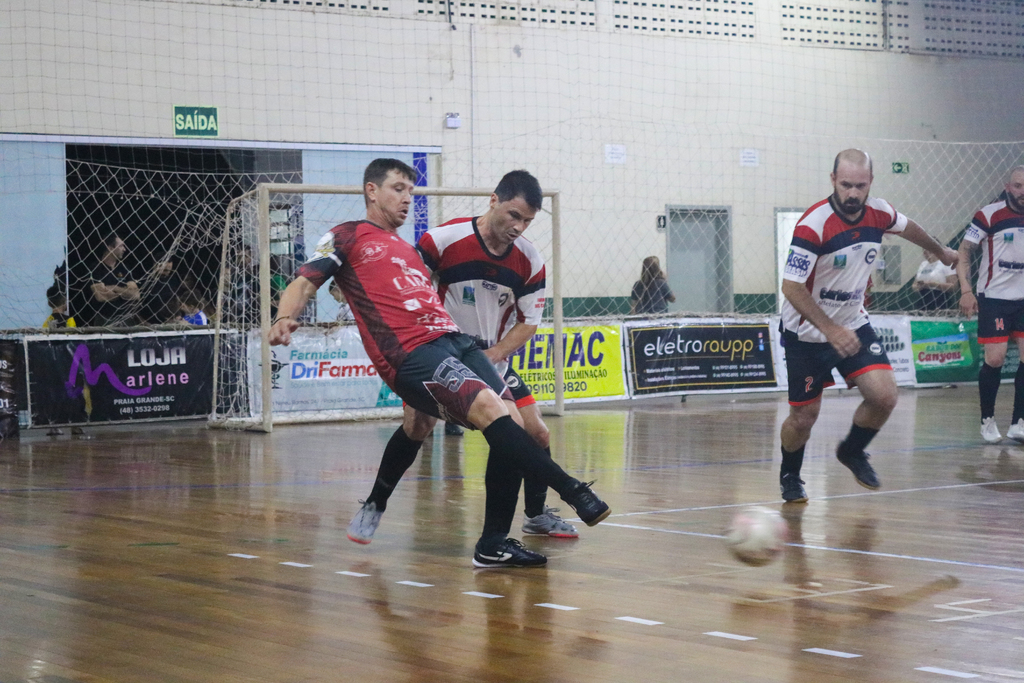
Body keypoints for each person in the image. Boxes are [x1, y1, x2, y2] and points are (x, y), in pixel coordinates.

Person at [268, 158, 610, 569]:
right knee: (454, 418)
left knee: (515, 428)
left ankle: (494, 542)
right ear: (371, 191)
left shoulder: (409, 251)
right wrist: (284, 316)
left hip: (456, 341)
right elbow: (305, 281)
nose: (407, 198)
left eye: (411, 191)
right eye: (398, 188)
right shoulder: (348, 235)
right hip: (412, 352)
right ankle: (573, 490)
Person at [777, 149, 958, 503]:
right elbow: (791, 287)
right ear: (833, 181)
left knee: (884, 396)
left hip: (853, 322)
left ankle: (852, 451)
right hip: (807, 333)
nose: (853, 193)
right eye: (846, 185)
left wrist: (942, 251)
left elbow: (909, 228)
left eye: (860, 186)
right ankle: (790, 475)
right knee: (803, 418)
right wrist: (830, 330)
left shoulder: (880, 212)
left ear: (870, 183)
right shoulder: (813, 225)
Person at [413, 170, 578, 538]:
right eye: (514, 215)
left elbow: (528, 323)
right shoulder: (441, 240)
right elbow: (413, 292)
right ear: (493, 201)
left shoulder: (530, 260)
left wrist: (493, 355)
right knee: (416, 428)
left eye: (528, 221)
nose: (520, 226)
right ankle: (378, 502)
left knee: (536, 433)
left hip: (491, 360)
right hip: (442, 357)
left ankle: (533, 516)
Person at [957, 165, 1024, 443]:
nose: (1023, 192)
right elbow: (964, 250)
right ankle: (987, 419)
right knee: (995, 359)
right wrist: (966, 290)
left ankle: (1019, 422)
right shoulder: (989, 214)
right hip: (994, 298)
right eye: (1018, 186)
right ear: (1008, 187)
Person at [87, 233, 140, 326]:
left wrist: (114, 288)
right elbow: (101, 296)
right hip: (105, 320)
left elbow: (135, 294)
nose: (124, 249)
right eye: (121, 246)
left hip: (126, 319)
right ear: (110, 248)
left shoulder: (123, 268)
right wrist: (125, 291)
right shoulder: (95, 268)